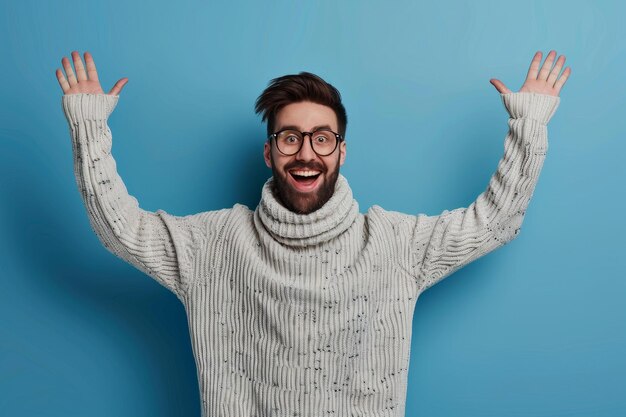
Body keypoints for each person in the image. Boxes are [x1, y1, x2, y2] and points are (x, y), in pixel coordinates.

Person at [55, 50, 570, 417]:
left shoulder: (394, 245)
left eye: (322, 139)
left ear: (341, 152)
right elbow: (119, 227)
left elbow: (495, 221)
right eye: (290, 138)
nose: (306, 153)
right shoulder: (211, 246)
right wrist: (89, 127)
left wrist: (529, 126)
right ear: (269, 152)